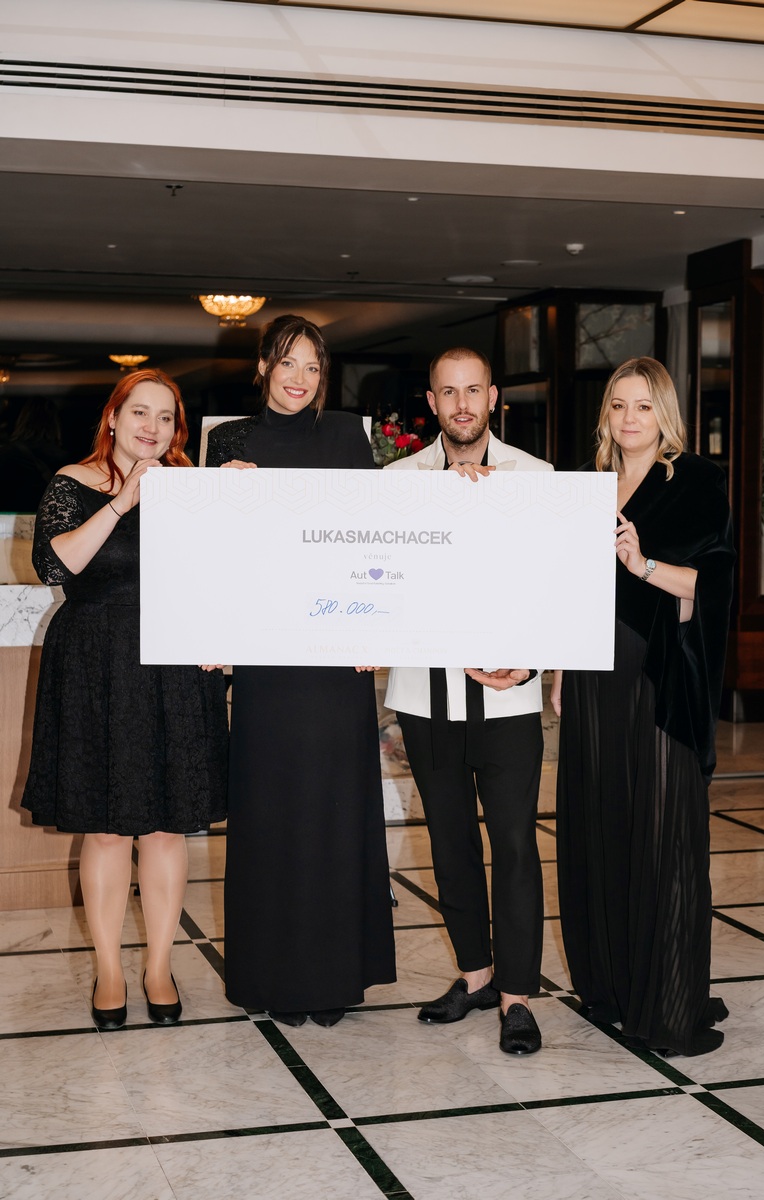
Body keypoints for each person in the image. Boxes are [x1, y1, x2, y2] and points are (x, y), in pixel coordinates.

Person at [21, 369, 228, 1030]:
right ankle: (109, 969)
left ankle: (159, 966)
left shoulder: (190, 488)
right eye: (140, 412)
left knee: (166, 826)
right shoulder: (71, 482)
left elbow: (221, 575)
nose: (152, 427)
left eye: (166, 417)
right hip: (95, 661)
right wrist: (124, 499)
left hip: (174, 664)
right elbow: (55, 567)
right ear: (113, 417)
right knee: (107, 827)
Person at [206, 314, 396, 1027]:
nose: (299, 378)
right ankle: (274, 977)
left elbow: (373, 537)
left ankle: (333, 977)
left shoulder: (346, 435)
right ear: (262, 366)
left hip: (335, 653)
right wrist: (221, 495)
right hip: (266, 659)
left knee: (335, 809)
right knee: (270, 810)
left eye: (313, 367)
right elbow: (213, 551)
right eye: (288, 362)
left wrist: (375, 624)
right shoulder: (229, 442)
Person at [552, 356, 735, 1057]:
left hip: (659, 677)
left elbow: (713, 586)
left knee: (665, 835)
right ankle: (615, 987)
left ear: (665, 413)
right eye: (618, 405)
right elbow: (566, 585)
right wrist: (561, 666)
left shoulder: (695, 480)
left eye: (643, 405)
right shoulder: (588, 484)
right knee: (602, 824)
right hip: (593, 674)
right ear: (606, 414)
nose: (630, 418)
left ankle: (669, 1002)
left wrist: (643, 565)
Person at [384, 347, 552, 1055]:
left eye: (473, 391)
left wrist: (532, 658)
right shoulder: (397, 484)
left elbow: (554, 585)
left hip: (509, 697)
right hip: (426, 695)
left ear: (492, 398)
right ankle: (477, 976)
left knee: (513, 844)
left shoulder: (535, 480)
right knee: (449, 841)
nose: (461, 404)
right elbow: (385, 581)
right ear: (431, 401)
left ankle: (518, 996)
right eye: (448, 392)